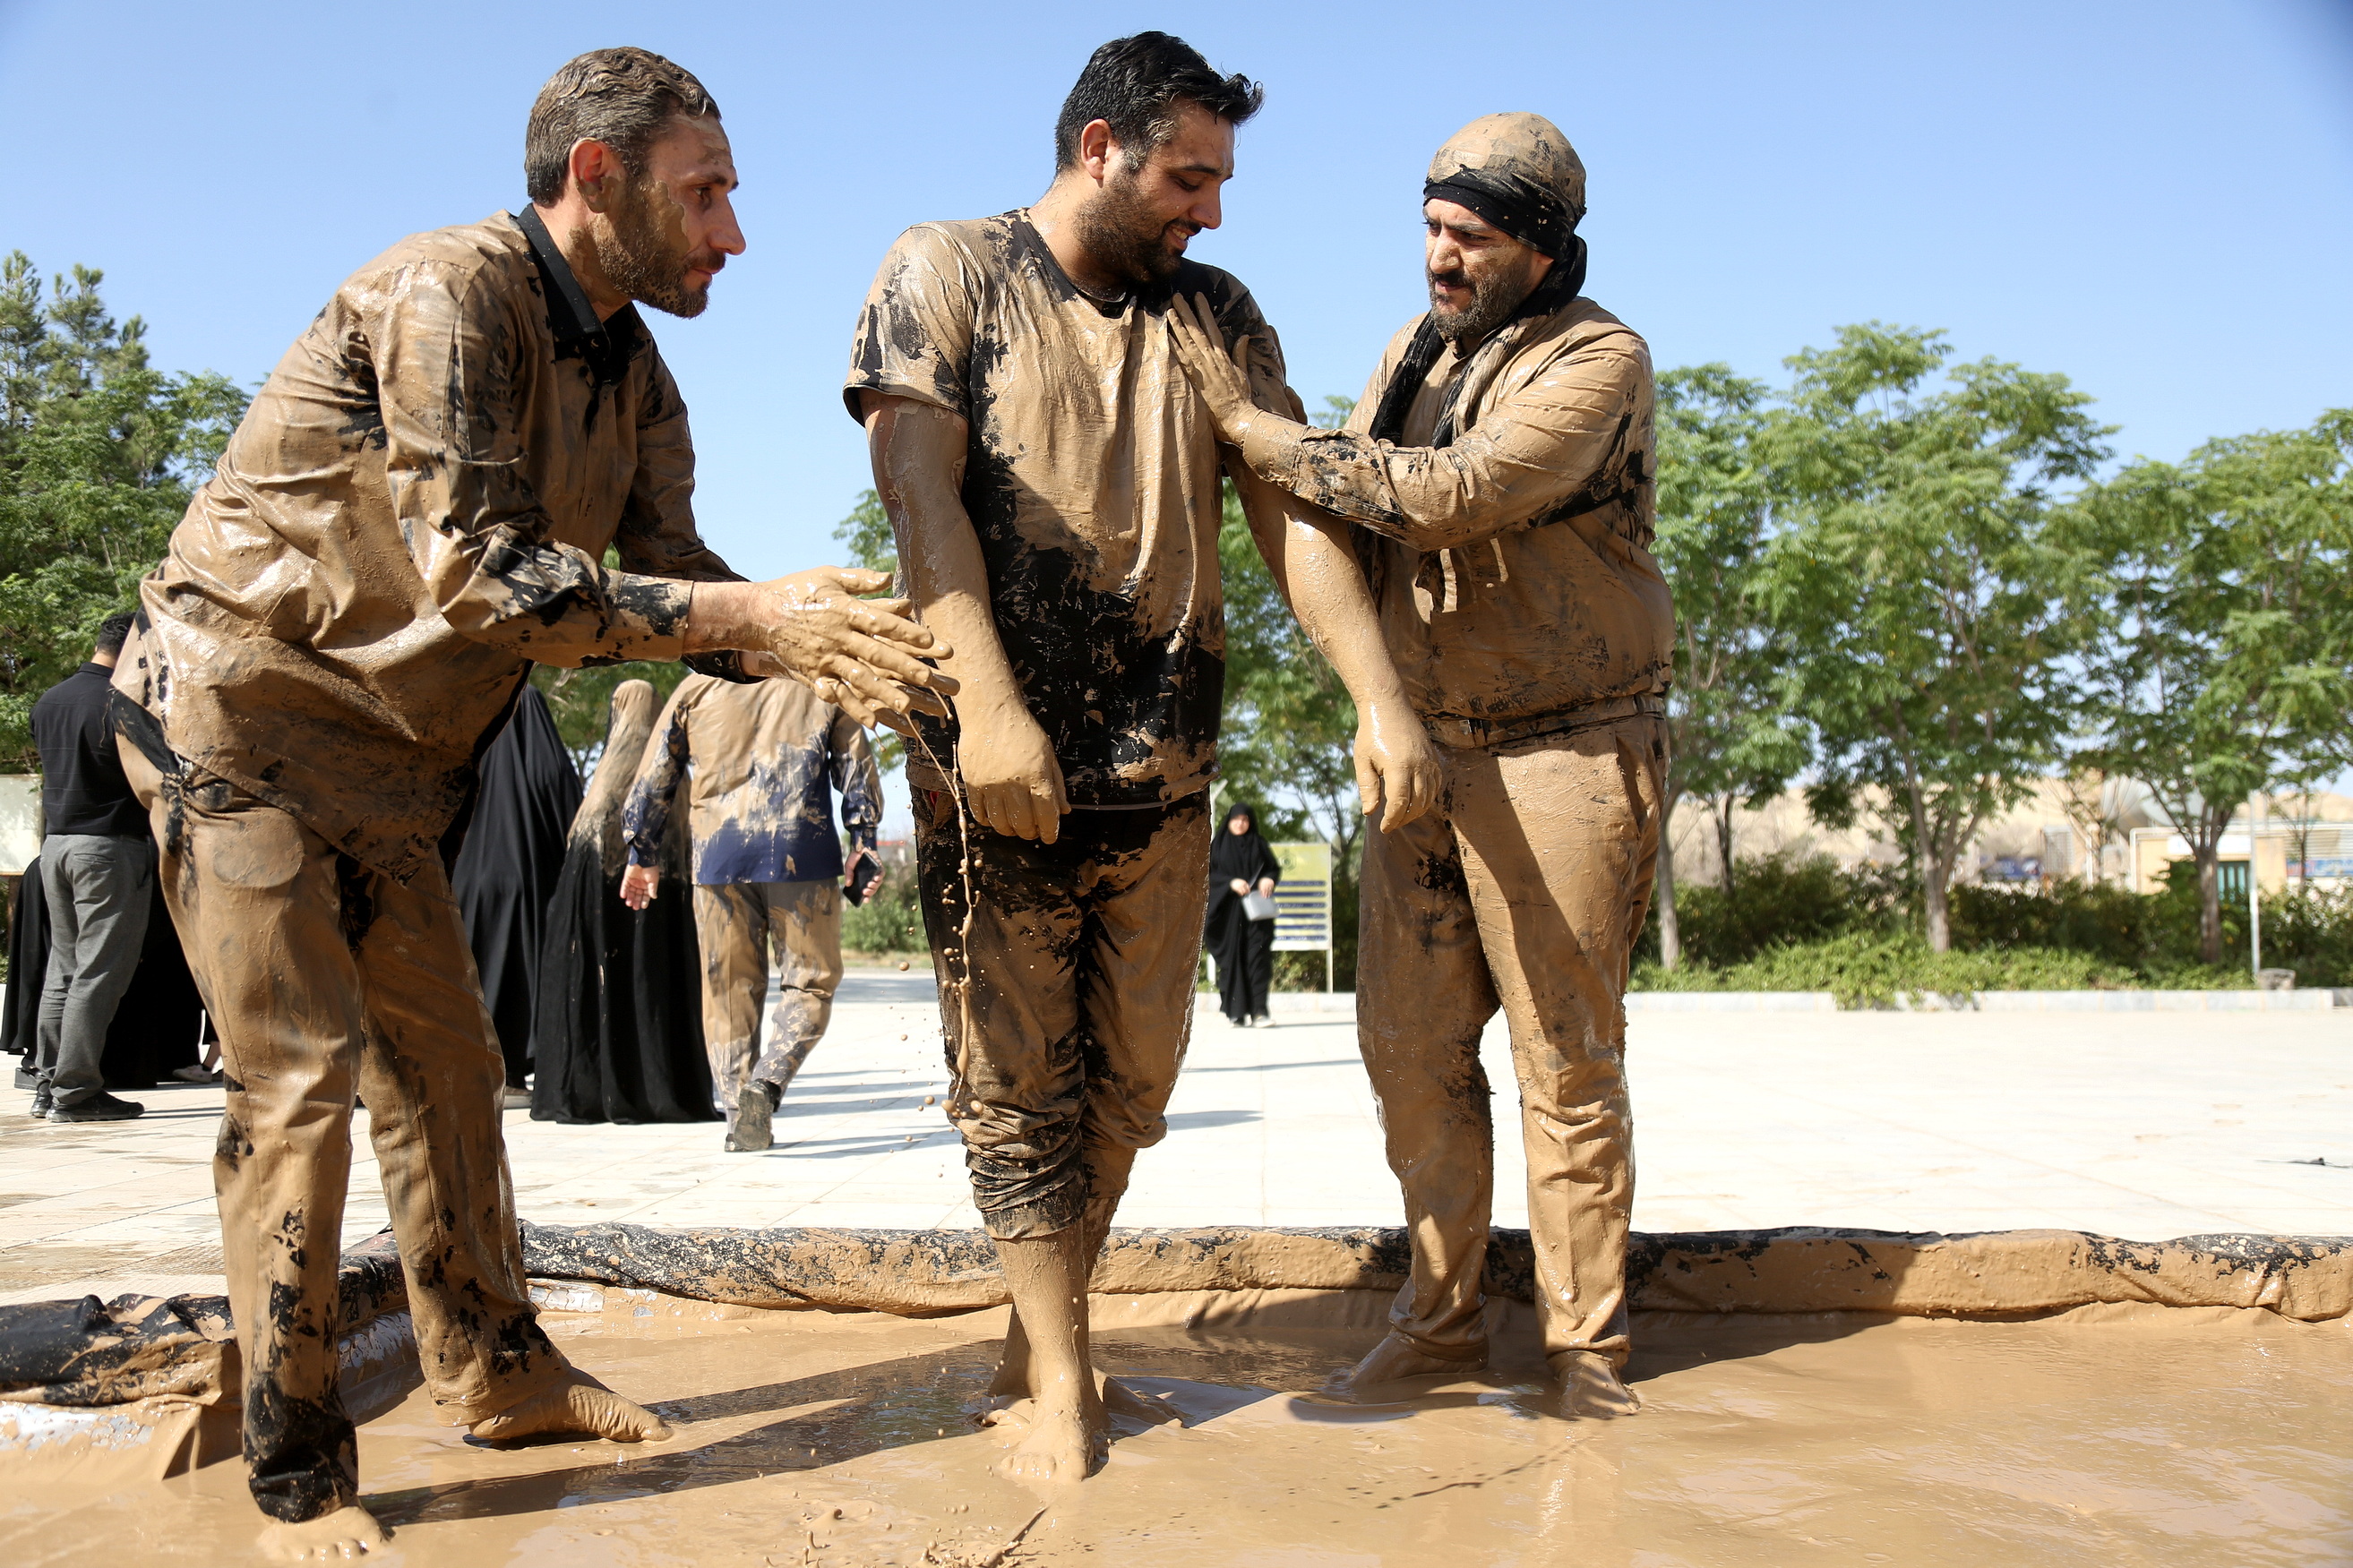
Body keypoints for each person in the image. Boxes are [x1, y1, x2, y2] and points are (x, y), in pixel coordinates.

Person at [107, 47, 950, 1559]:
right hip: (234, 711)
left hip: (386, 762)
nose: (733, 236)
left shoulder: (635, 374)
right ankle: (296, 1467)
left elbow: (681, 587)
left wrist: (835, 635)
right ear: (594, 178)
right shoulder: (451, 296)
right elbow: (484, 576)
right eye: (707, 195)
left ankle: (497, 1370)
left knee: (448, 1065)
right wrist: (754, 618)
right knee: (298, 1083)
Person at [849, 31, 1439, 1484]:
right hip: (998, 767)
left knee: (1135, 1083)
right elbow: (919, 497)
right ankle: (1059, 1375)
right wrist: (982, 706)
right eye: (1190, 175)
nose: (1211, 208)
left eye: (1219, 180)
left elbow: (1291, 517)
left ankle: (1037, 1333)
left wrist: (1376, 693)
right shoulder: (949, 269)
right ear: (1100, 147)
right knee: (1014, 1081)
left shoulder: (1214, 311)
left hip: (1166, 768)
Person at [1169, 113, 1674, 1420]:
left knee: (1564, 1063)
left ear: (1545, 248)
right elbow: (1352, 502)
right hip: (1427, 746)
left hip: (1566, 737)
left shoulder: (1599, 360)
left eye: (1472, 239)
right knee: (1404, 1047)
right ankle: (1439, 1321)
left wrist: (1255, 431)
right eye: (1431, 229)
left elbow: (1443, 493)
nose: (1441, 260)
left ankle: (1585, 1355)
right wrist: (1371, 694)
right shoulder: (1410, 349)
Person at [617, 672, 881, 1151]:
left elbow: (657, 771)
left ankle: (741, 1116)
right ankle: (769, 1080)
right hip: (801, 855)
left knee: (727, 990)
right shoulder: (817, 681)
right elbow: (855, 764)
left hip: (719, 858)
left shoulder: (696, 689)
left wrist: (642, 853)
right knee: (811, 983)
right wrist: (864, 841)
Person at [532, 679, 715, 1125]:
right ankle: (662, 1087)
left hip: (602, 922)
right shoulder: (677, 790)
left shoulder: (596, 802)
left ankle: (593, 1087)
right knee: (658, 984)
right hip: (662, 914)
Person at [29, 611, 151, 1122]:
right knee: (98, 973)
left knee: (65, 969)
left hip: (55, 845)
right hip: (106, 849)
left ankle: (47, 1084)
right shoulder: (121, 701)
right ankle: (76, 1092)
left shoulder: (49, 700)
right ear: (129, 651)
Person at [449, 684, 582, 1103]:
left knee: (476, 972)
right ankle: (517, 1073)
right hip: (525, 877)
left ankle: (474, 1067)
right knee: (524, 972)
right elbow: (557, 784)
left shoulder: (467, 738)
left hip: (467, 880)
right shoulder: (534, 733)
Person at [1203, 801, 1279, 1026]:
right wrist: (1230, 883)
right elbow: (1207, 874)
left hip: (1256, 915)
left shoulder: (1259, 843)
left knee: (1258, 959)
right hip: (1227, 915)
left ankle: (1259, 1012)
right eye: (1236, 819)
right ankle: (1235, 1012)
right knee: (1232, 960)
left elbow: (1271, 868)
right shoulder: (1217, 846)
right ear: (1229, 820)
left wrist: (1269, 878)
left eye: (1245, 820)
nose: (1240, 823)